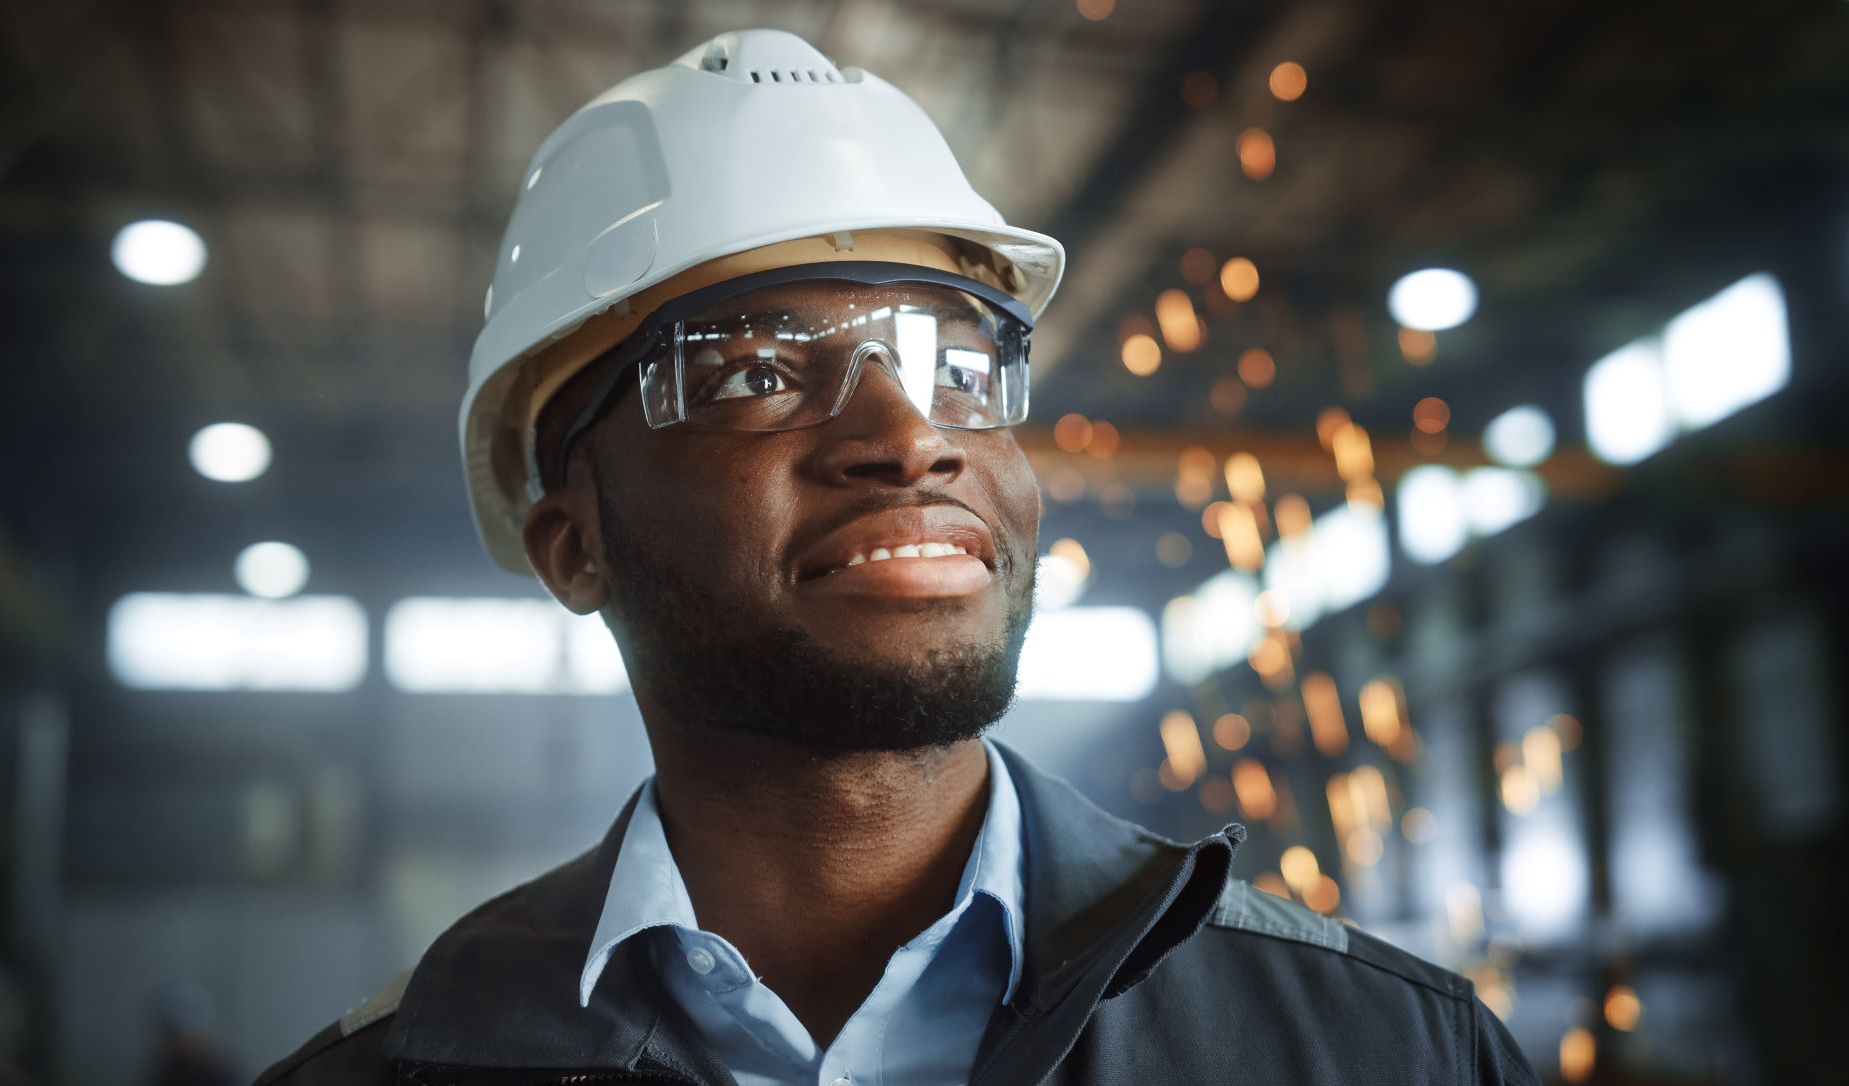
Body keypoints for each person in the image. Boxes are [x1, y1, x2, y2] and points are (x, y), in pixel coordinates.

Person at [256, 28, 1535, 1086]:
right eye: (752, 372)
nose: (910, 436)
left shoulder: (1384, 1048)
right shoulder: (401, 1070)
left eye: (958, 367)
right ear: (572, 546)